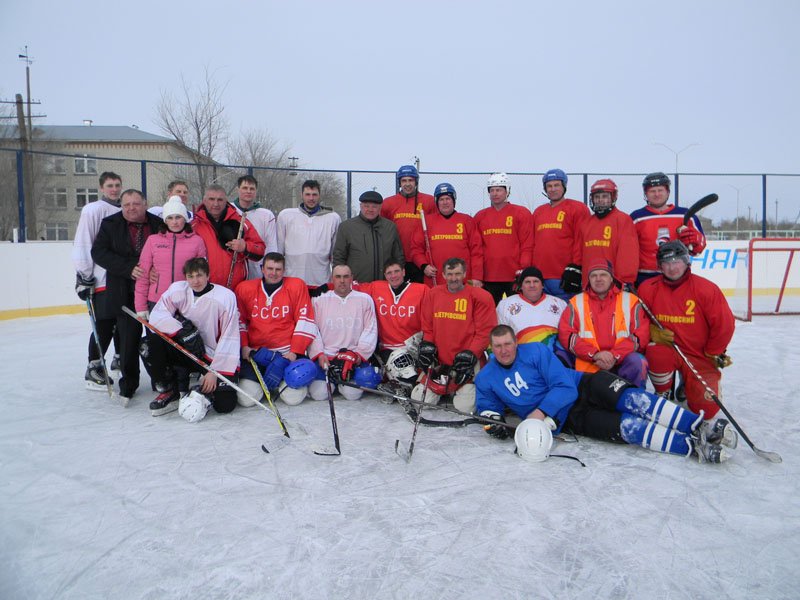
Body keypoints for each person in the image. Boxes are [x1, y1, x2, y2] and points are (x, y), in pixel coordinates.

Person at [475, 325, 737, 464]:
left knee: (636, 400)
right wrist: (491, 423)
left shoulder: (535, 352)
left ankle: (697, 426)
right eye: (497, 346)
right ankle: (692, 447)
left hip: (583, 385)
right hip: (570, 419)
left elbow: (564, 387)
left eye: (508, 343)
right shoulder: (486, 377)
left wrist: (540, 412)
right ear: (491, 348)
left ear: (515, 343)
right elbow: (487, 407)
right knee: (629, 428)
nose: (504, 350)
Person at [637, 241, 735, 424]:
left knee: (707, 410)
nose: (672, 268)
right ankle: (662, 391)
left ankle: (688, 385)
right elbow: (638, 321)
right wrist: (651, 332)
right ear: (659, 266)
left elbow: (725, 324)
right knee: (655, 350)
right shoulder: (647, 288)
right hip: (669, 350)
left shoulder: (706, 289)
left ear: (686, 262)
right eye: (666, 263)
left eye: (677, 261)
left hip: (699, 355)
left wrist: (714, 351)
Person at [146, 258, 240, 420]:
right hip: (187, 350)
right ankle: (170, 389)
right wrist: (182, 331)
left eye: (199, 276)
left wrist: (214, 372)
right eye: (190, 276)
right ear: (185, 277)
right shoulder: (177, 290)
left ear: (208, 275)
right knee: (149, 343)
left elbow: (230, 337)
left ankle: (201, 391)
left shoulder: (225, 297)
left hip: (212, 356)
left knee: (225, 405)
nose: (195, 281)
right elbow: (157, 315)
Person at [91, 189, 163, 400]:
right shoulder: (110, 224)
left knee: (155, 339)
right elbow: (99, 252)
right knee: (127, 341)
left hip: (153, 293)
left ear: (145, 204)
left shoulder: (159, 224)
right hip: (123, 292)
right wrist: (128, 267)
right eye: (126, 204)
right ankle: (129, 383)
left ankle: (160, 377)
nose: (131, 208)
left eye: (136, 204)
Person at [413, 257, 496, 412]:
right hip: (441, 360)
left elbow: (485, 332)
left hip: (466, 361)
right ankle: (444, 388)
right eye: (449, 274)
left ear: (464, 274)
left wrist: (471, 354)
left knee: (465, 407)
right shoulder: (433, 294)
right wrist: (428, 346)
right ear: (443, 275)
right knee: (420, 400)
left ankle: (458, 388)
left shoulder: (480, 296)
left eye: (457, 274)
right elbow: (428, 327)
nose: (453, 278)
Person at [235, 252, 317, 407]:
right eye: (270, 268)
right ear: (262, 269)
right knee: (246, 400)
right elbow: (240, 321)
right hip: (256, 354)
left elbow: (305, 320)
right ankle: (265, 384)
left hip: (286, 354)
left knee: (293, 398)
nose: (273, 273)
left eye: (278, 269)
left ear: (284, 270)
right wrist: (245, 347)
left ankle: (278, 383)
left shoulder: (296, 286)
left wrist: (294, 353)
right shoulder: (245, 289)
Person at [558, 260, 649, 387]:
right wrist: (594, 355)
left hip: (621, 361)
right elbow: (566, 334)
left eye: (603, 275)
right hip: (589, 363)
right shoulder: (576, 302)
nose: (598, 279)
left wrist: (614, 356)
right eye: (594, 276)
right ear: (588, 279)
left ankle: (634, 401)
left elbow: (640, 335)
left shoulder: (631, 301)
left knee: (638, 361)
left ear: (612, 278)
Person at [72, 171, 123, 389]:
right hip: (101, 280)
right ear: (102, 188)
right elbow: (83, 242)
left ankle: (119, 357)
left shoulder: (124, 209)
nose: (114, 189)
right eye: (110, 185)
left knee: (123, 323)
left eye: (117, 185)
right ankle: (94, 367)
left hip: (122, 278)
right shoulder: (93, 209)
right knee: (104, 325)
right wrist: (84, 275)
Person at [355, 260, 429, 394]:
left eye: (396, 271)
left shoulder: (421, 290)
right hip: (387, 349)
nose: (393, 276)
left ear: (404, 272)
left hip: (412, 348)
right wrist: (326, 287)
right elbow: (348, 286)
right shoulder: (376, 288)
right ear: (385, 275)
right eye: (389, 273)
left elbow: (436, 306)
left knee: (415, 377)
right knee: (405, 376)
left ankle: (394, 385)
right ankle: (395, 383)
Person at [307, 264, 378, 401]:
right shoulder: (319, 300)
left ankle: (342, 383)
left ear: (352, 278)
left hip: (351, 358)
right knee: (319, 394)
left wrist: (358, 356)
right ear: (332, 279)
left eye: (346, 276)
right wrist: (320, 354)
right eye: (338, 277)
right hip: (327, 357)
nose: (342, 280)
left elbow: (371, 329)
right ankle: (332, 382)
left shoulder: (364, 299)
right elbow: (313, 329)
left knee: (353, 394)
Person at [630, 172, 707, 287]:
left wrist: (695, 242)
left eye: (660, 190)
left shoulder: (685, 215)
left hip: (678, 276)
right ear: (646, 194)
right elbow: (628, 250)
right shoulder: (636, 217)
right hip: (645, 278)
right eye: (652, 191)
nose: (657, 194)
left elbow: (698, 249)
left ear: (667, 192)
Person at [134, 197, 207, 317]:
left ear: (185, 218)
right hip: (157, 300)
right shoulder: (153, 240)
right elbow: (143, 274)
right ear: (165, 220)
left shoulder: (196, 241)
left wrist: (200, 298)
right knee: (157, 336)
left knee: (186, 336)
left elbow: (202, 274)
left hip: (186, 301)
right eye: (170, 218)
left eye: (178, 217)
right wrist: (141, 306)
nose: (174, 222)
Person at [530, 169, 590, 301]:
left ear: (564, 187)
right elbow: (533, 242)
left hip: (564, 275)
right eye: (549, 186)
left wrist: (576, 267)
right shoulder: (539, 211)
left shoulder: (578, 208)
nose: (552, 189)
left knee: (566, 318)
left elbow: (581, 241)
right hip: (541, 276)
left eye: (556, 185)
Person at [569, 179, 639, 292]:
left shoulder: (622, 220)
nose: (600, 200)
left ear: (613, 197)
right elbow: (578, 253)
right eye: (597, 197)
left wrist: (624, 281)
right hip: (589, 284)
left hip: (614, 285)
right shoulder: (586, 223)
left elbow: (628, 254)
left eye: (604, 196)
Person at [473, 173, 533, 304]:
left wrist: (524, 269)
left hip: (514, 276)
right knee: (490, 314)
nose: (495, 193)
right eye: (492, 190)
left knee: (516, 311)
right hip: (489, 277)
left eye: (499, 189)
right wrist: (477, 276)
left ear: (507, 191)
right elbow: (476, 249)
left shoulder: (521, 213)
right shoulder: (480, 216)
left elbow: (527, 244)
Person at [191, 184, 266, 290]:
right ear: (204, 200)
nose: (216, 204)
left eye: (220, 200)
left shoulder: (240, 221)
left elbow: (260, 249)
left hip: (235, 289)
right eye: (211, 199)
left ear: (226, 201)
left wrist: (244, 247)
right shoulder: (194, 225)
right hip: (203, 289)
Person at [410, 183, 483, 287]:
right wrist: (424, 266)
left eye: (448, 199)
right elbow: (416, 249)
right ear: (436, 202)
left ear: (453, 200)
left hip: (463, 280)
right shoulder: (426, 221)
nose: (445, 202)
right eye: (441, 199)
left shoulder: (466, 220)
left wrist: (477, 277)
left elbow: (477, 251)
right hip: (436, 279)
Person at [276, 179, 341, 287]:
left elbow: (335, 253)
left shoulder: (333, 218)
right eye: (307, 194)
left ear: (319, 195)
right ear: (302, 195)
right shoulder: (286, 215)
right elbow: (279, 249)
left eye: (314, 194)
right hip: (292, 278)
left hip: (321, 280)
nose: (311, 198)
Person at [380, 164, 437, 283]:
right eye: (404, 180)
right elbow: (382, 230)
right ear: (399, 183)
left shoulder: (429, 201)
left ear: (416, 182)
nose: (407, 184)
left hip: (421, 260)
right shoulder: (388, 203)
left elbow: (436, 225)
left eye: (410, 180)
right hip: (397, 258)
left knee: (421, 293)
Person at [332, 191, 404, 283]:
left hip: (385, 284)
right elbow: (339, 257)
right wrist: (339, 279)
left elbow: (398, 256)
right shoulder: (346, 227)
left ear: (380, 207)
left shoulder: (390, 227)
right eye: (366, 206)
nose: (370, 209)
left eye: (374, 206)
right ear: (360, 206)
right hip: (357, 285)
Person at [496, 266, 567, 349]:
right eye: (527, 282)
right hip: (520, 357)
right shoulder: (505, 304)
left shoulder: (560, 304)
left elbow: (567, 334)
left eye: (536, 281)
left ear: (542, 285)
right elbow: (498, 335)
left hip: (552, 357)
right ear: (521, 286)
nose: (532, 285)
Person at [232, 175, 278, 280]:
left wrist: (269, 269)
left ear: (256, 191)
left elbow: (271, 246)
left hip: (258, 269)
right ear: (238, 189)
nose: (248, 191)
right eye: (245, 188)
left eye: (252, 188)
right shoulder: (228, 209)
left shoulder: (266, 215)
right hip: (234, 268)